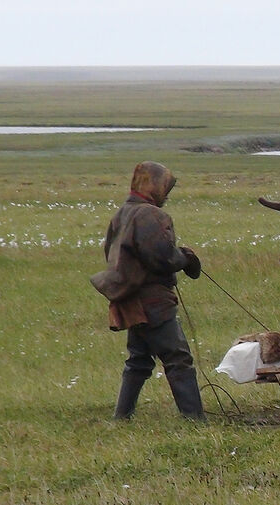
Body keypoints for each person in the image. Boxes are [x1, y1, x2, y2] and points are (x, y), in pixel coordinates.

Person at [90, 161, 205, 420]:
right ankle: (195, 420)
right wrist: (185, 258)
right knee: (178, 358)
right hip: (152, 300)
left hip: (129, 299)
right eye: (165, 187)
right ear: (154, 185)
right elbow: (162, 258)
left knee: (139, 360)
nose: (166, 194)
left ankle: (122, 417)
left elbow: (112, 252)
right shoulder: (151, 215)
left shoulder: (122, 213)